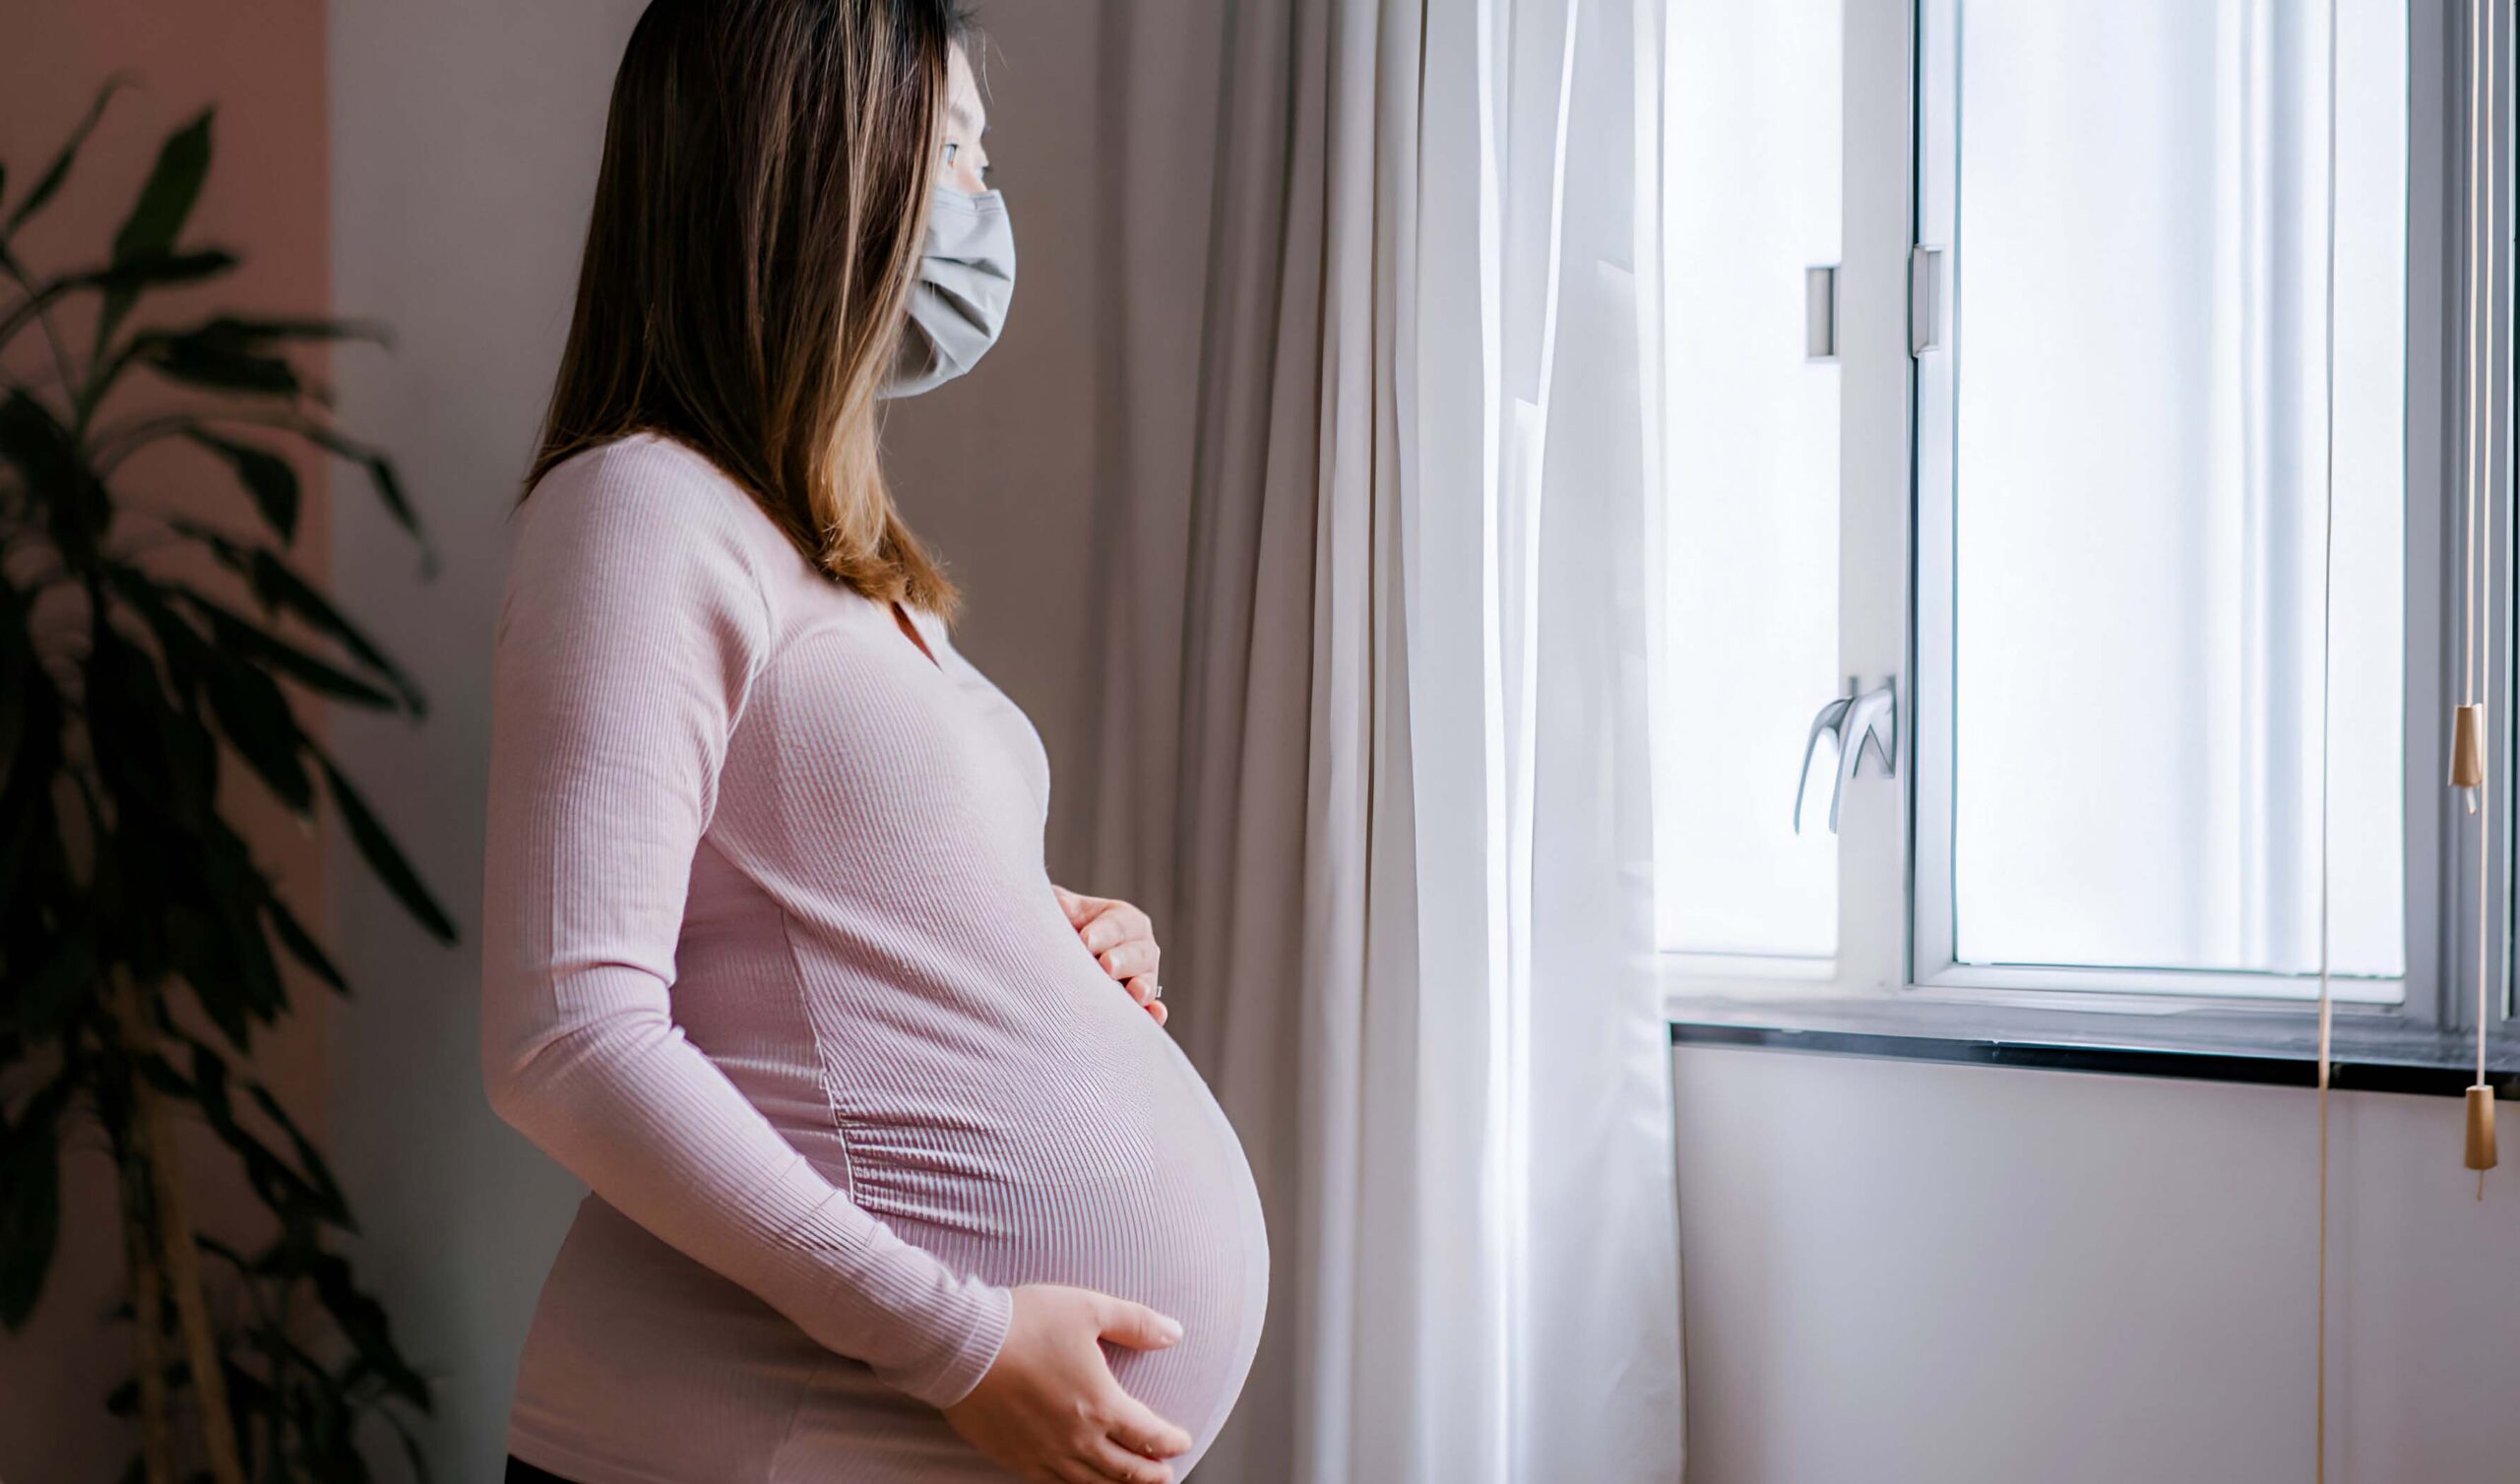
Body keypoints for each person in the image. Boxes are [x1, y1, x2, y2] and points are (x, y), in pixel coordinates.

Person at [478, 4, 1269, 1480]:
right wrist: (956, 1340)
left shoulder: (838, 562)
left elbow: (798, 925)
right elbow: (566, 1039)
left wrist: (1037, 937)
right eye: (956, 153)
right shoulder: (641, 510)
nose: (983, 210)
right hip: (749, 1434)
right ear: (819, 169)